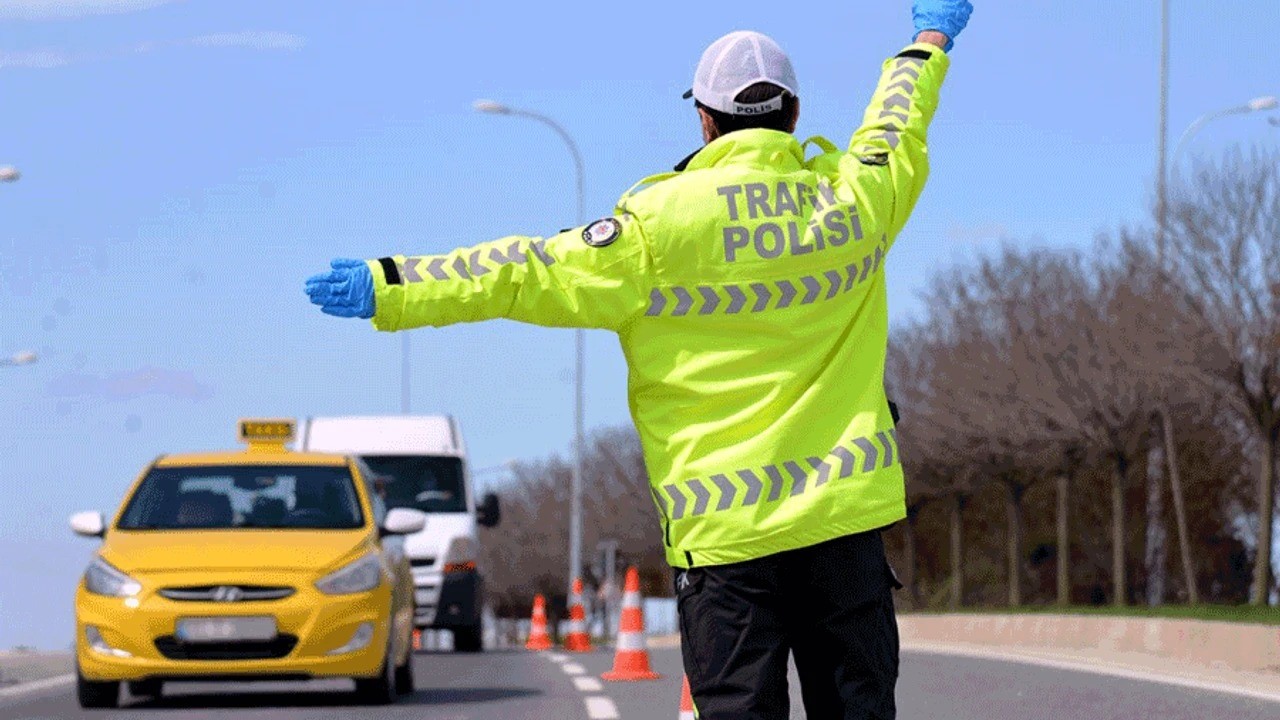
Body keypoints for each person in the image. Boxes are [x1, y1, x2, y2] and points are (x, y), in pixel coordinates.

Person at [305, 2, 972, 717]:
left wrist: (394, 284)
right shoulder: (853, 203)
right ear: (795, 113)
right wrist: (926, 40)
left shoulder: (654, 230)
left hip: (726, 546)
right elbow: (894, 125)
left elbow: (519, 270)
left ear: (706, 120)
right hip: (843, 534)